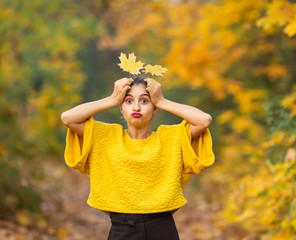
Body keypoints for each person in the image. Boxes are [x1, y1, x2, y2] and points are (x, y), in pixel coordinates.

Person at [61, 76, 215, 240]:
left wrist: (161, 100)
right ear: (121, 107)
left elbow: (204, 120)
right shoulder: (105, 136)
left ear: (154, 107)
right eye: (128, 101)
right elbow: (68, 118)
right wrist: (112, 99)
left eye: (144, 101)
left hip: (162, 228)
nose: (136, 107)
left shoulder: (170, 137)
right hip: (122, 228)